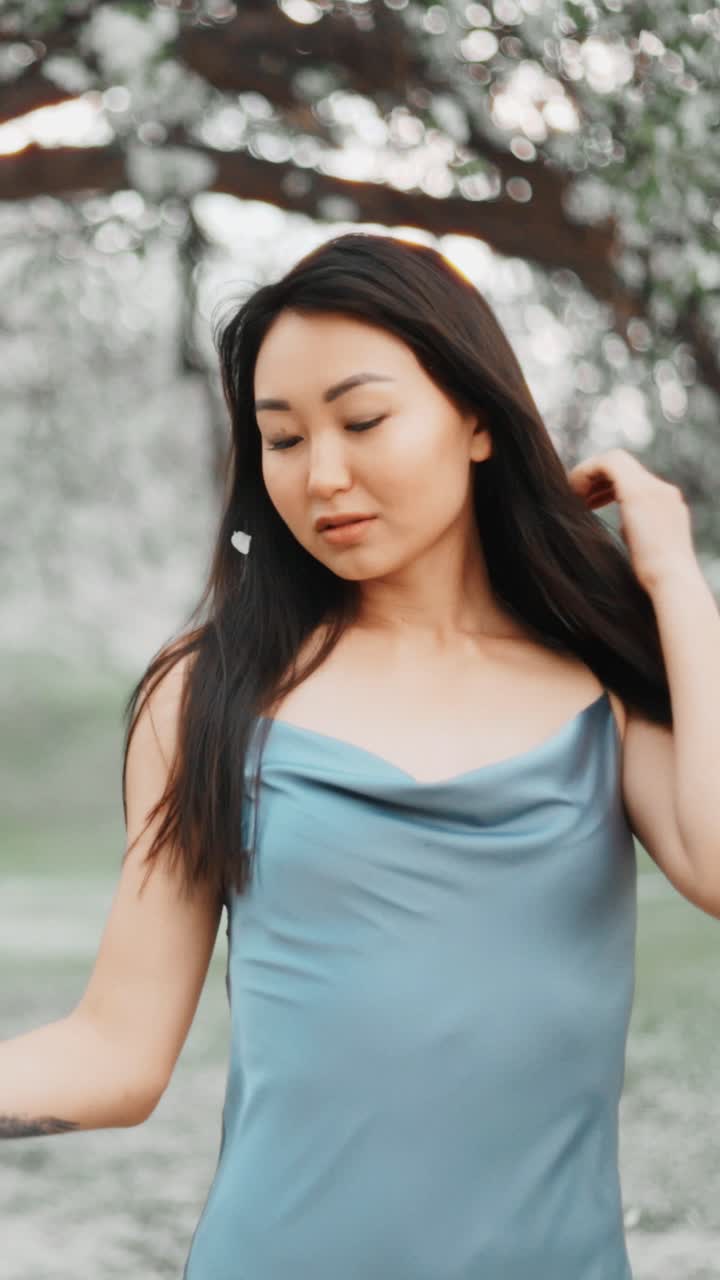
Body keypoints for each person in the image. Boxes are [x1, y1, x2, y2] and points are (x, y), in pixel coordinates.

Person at [1, 231, 674, 1278]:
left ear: (478, 417)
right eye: (280, 438)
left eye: (363, 420)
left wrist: (671, 578)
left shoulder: (602, 684)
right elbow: (117, 1055)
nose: (323, 474)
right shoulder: (209, 693)